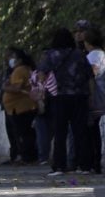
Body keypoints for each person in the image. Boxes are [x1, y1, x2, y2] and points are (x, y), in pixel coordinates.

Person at [38, 28, 93, 176]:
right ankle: (84, 166)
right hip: (80, 96)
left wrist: (43, 90)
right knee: (80, 131)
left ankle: (59, 166)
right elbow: (90, 75)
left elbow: (42, 74)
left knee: (60, 132)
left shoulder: (51, 55)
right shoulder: (80, 54)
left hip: (60, 97)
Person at [1, 48, 38, 164]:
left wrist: (5, 87)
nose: (11, 60)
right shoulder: (26, 69)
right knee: (27, 133)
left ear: (20, 60)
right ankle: (27, 156)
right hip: (24, 106)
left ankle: (26, 157)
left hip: (20, 107)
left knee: (22, 134)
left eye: (14, 58)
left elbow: (17, 88)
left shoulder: (19, 70)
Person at [84, 27, 105, 174]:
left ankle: (95, 163)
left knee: (93, 131)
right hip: (98, 96)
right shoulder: (100, 54)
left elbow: (93, 71)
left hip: (96, 96)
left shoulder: (94, 55)